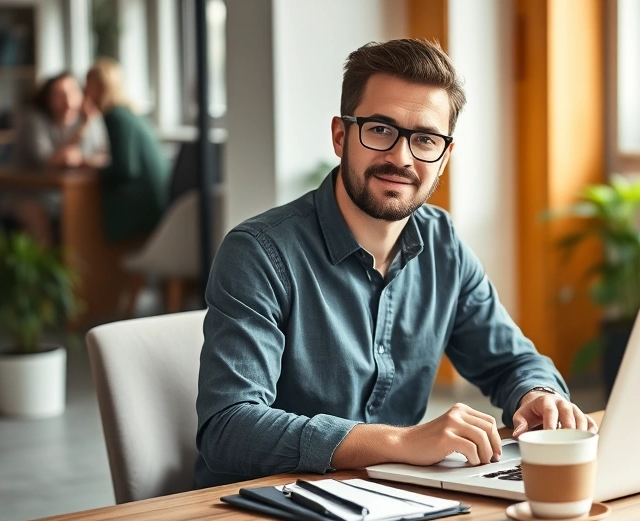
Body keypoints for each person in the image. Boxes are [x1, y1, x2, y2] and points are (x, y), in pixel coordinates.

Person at [195, 39, 596, 489]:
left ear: (444, 156)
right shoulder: (259, 252)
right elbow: (228, 428)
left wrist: (537, 394)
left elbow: (510, 361)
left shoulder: (442, 243)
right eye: (380, 130)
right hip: (263, 512)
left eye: (425, 138)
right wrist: (399, 442)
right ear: (341, 136)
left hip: (391, 501)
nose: (401, 158)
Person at [8, 72, 108, 245]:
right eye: (59, 94)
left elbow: (104, 156)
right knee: (38, 215)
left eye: (72, 92)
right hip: (28, 194)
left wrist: (85, 160)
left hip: (71, 194)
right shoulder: (34, 121)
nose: (67, 100)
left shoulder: (93, 119)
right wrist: (83, 128)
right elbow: (50, 162)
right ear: (48, 98)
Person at [83, 58, 169, 243]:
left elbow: (125, 169)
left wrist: (93, 168)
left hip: (143, 207)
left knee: (87, 211)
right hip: (159, 203)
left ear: (99, 87)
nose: (85, 92)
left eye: (88, 85)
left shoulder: (115, 117)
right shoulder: (128, 112)